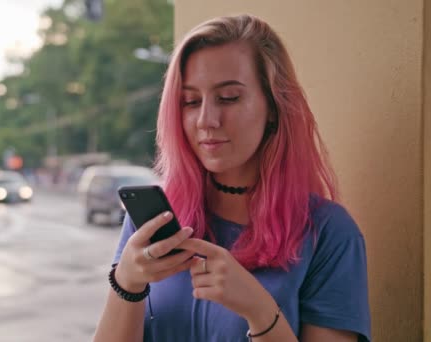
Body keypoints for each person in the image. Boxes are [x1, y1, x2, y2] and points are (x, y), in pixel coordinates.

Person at [93, 15, 370, 342]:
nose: (206, 120)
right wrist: (126, 283)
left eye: (228, 98)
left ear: (274, 106)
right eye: (191, 101)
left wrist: (259, 310)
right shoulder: (157, 219)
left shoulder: (328, 234)